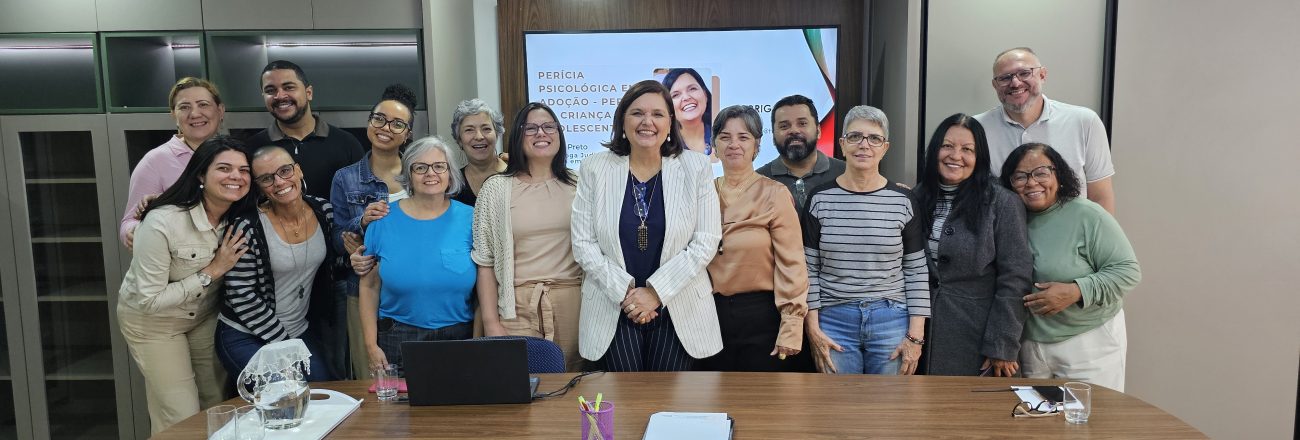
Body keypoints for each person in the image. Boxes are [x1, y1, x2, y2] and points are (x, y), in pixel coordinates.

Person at [571, 80, 722, 371]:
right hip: (613, 305)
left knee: (672, 407)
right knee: (623, 404)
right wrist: (628, 294)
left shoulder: (696, 167)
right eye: (637, 113)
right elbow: (583, 243)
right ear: (622, 121)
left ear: (670, 123)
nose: (647, 122)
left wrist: (655, 293)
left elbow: (705, 241)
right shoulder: (594, 168)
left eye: (657, 114)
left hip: (679, 306)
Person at [116, 135, 255, 433]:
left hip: (202, 317)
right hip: (154, 323)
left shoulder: (239, 216)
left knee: (216, 403)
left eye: (244, 170)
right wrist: (212, 271)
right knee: (180, 414)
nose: (236, 177)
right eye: (224, 168)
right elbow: (149, 300)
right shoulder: (161, 221)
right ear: (201, 174)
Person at [1000, 143, 1140, 391]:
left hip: (1089, 342)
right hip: (1031, 346)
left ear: (1059, 175)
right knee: (1038, 424)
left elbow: (1127, 271)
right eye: (1020, 176)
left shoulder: (1087, 215)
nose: (1032, 182)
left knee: (1091, 422)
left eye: (1041, 172)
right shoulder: (1010, 219)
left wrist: (1076, 291)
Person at [801, 105, 929, 375]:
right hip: (834, 319)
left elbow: (916, 271)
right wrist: (812, 327)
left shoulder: (903, 200)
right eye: (855, 137)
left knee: (886, 411)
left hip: (891, 320)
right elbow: (808, 269)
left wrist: (915, 336)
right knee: (839, 409)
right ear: (842, 144)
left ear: (885, 147)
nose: (864, 145)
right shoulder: (819, 198)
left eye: (874, 138)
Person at [914, 114, 1032, 376]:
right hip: (919, 332)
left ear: (980, 157)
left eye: (968, 149)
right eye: (947, 146)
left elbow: (1016, 278)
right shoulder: (917, 197)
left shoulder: (1002, 202)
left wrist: (1002, 344)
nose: (955, 155)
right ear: (935, 150)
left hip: (978, 336)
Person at [472, 102, 584, 371]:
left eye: (548, 127)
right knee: (519, 394)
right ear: (517, 136)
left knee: (573, 391)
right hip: (516, 308)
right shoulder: (495, 190)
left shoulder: (580, 184)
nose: (541, 134)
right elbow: (485, 263)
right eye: (530, 128)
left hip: (575, 306)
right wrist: (491, 323)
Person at [217, 145, 340, 382]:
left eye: (285, 171)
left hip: (297, 330)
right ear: (259, 186)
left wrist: (353, 256)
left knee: (327, 395)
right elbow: (240, 293)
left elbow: (332, 265)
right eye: (266, 178)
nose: (279, 182)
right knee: (286, 394)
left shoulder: (324, 210)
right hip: (246, 334)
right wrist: (287, 345)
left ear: (299, 171)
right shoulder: (249, 226)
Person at [698, 105, 807, 372]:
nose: (734, 144)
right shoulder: (702, 194)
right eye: (725, 137)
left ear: (757, 146)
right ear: (714, 144)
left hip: (762, 316)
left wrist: (791, 326)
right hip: (708, 315)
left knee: (760, 405)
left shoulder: (775, 194)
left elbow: (791, 264)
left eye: (743, 137)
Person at [356, 137, 476, 371]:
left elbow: (484, 288)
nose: (430, 173)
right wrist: (371, 345)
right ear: (408, 174)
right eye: (420, 167)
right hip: (398, 336)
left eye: (439, 166)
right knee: (400, 408)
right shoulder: (382, 221)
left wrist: (480, 341)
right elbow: (369, 286)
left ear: (450, 173)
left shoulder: (471, 219)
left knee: (463, 407)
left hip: (461, 334)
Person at [330, 84, 418, 378]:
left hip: (415, 289)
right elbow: (337, 237)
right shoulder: (345, 178)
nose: (385, 128)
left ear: (408, 133)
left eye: (397, 124)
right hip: (364, 288)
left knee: (417, 377)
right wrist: (362, 224)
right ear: (369, 122)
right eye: (379, 118)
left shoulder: (420, 174)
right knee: (373, 375)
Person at [974, 47, 1117, 214]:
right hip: (1001, 237)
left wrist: (1099, 239)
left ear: (1042, 75)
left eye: (1024, 73)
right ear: (995, 85)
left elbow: (1100, 197)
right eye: (1005, 77)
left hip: (1071, 236)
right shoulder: (977, 129)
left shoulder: (1084, 122)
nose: (1015, 83)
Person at [119, 77, 226, 249]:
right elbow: (129, 222)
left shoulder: (236, 155)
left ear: (220, 110)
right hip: (180, 266)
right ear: (173, 115)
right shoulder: (155, 161)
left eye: (203, 104)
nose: (195, 114)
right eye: (184, 107)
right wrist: (137, 232)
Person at [244, 60, 365, 201]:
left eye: (288, 87)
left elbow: (362, 202)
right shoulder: (252, 149)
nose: (280, 96)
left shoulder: (347, 144)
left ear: (309, 93)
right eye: (270, 90)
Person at [757, 94, 846, 213]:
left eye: (802, 123)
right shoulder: (758, 182)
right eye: (784, 126)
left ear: (818, 130)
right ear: (773, 136)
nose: (794, 130)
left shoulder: (846, 173)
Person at [449, 98, 508, 206]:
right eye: (469, 130)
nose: (479, 137)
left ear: (497, 134)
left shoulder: (517, 175)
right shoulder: (451, 184)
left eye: (486, 129)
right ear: (459, 140)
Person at [661, 68, 713, 155]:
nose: (686, 97)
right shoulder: (662, 147)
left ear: (705, 95)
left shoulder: (721, 134)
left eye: (692, 89)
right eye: (676, 95)